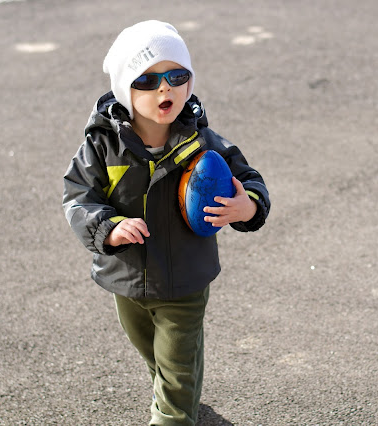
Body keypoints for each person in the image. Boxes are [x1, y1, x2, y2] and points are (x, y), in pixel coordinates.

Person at [62, 20, 270, 426]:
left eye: (177, 76)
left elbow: (250, 180)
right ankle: (178, 396)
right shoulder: (102, 145)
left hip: (184, 280)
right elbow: (77, 197)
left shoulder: (202, 142)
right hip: (127, 277)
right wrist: (108, 227)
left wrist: (247, 207)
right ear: (124, 88)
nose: (165, 89)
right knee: (155, 356)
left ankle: (174, 412)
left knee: (176, 366)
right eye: (147, 80)